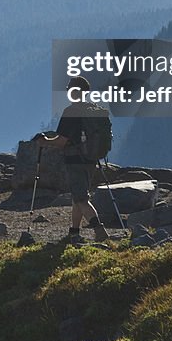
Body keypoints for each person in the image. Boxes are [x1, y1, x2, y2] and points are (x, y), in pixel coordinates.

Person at [40, 75, 111, 244]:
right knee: (78, 196)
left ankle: (99, 230)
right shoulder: (93, 110)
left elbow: (62, 141)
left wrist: (45, 142)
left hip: (75, 160)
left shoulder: (71, 112)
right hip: (91, 160)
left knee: (80, 199)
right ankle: (74, 232)